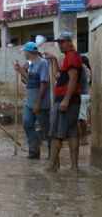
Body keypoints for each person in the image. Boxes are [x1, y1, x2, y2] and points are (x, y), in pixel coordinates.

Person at [44, 32, 83, 172]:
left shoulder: (72, 56)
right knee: (72, 132)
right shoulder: (68, 57)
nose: (60, 44)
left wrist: (65, 100)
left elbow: (73, 78)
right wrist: (54, 60)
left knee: (56, 135)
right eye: (59, 42)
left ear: (69, 42)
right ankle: (74, 167)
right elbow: (57, 76)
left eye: (62, 42)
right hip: (71, 100)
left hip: (66, 100)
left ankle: (51, 168)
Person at [14, 42, 51, 159]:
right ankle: (34, 152)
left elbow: (44, 83)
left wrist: (38, 102)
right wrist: (20, 70)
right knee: (27, 124)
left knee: (46, 129)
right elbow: (30, 80)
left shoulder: (42, 63)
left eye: (24, 51)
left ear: (29, 52)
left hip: (40, 104)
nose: (24, 54)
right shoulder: (31, 65)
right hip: (30, 103)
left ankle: (52, 155)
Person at [78, 55, 91, 145]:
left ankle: (84, 138)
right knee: (83, 116)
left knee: (82, 117)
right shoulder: (88, 69)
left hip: (82, 94)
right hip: (85, 93)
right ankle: (83, 137)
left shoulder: (82, 67)